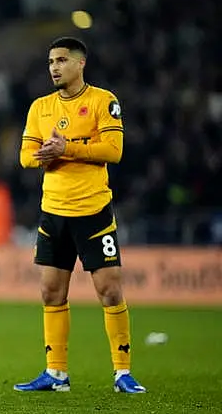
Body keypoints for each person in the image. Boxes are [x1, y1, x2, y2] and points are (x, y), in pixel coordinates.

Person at [14, 37, 146, 394]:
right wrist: (47, 153)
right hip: (53, 213)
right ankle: (56, 373)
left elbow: (114, 150)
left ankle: (122, 372)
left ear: (79, 64)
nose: (54, 67)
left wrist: (66, 147)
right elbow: (25, 156)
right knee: (51, 291)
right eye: (50, 62)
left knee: (109, 290)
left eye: (60, 60)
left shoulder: (104, 101)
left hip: (92, 211)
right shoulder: (40, 107)